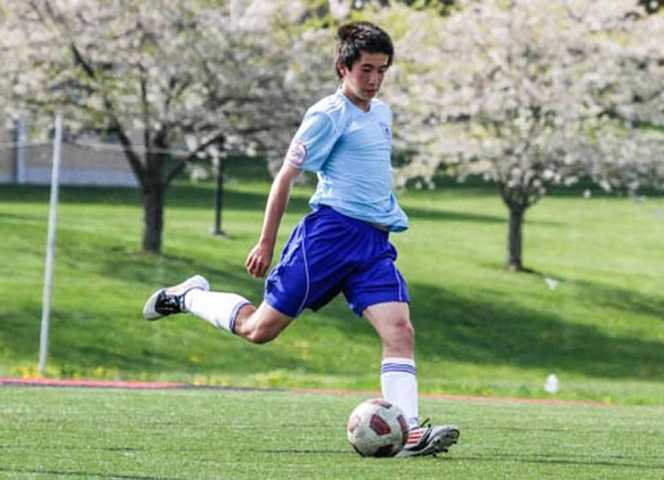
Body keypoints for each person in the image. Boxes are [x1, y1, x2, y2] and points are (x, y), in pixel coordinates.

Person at [143, 21, 459, 457]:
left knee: (400, 332)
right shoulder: (326, 115)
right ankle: (188, 297)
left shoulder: (381, 113)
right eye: (366, 69)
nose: (374, 79)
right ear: (343, 68)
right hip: (327, 239)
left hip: (372, 246)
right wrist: (265, 241)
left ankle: (407, 435)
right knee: (259, 331)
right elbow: (286, 177)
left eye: (382, 70)